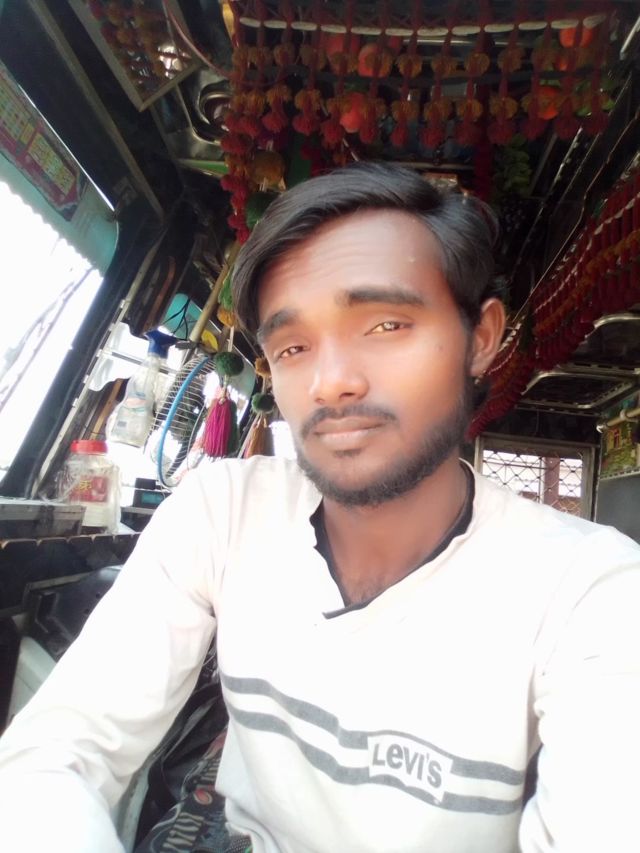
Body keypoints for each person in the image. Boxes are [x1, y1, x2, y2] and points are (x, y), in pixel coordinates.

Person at [1, 161, 639, 853]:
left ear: (481, 337)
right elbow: (58, 751)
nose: (331, 382)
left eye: (386, 324)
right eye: (294, 347)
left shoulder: (592, 587)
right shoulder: (224, 511)